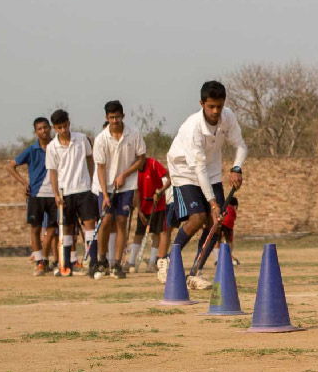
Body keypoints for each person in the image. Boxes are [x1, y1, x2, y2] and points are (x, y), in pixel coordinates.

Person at [161, 81, 246, 288]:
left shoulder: (228, 117)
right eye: (211, 106)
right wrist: (214, 204)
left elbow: (241, 146)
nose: (216, 111)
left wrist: (236, 168)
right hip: (185, 171)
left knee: (215, 223)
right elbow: (198, 170)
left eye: (219, 105)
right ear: (202, 104)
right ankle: (167, 261)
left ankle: (196, 272)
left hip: (212, 171)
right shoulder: (193, 128)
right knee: (198, 217)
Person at [91, 101, 147, 279]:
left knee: (122, 221)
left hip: (127, 185)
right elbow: (100, 168)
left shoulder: (134, 134)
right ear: (106, 118)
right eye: (111, 118)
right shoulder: (101, 139)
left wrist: (125, 174)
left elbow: (141, 159)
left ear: (123, 116)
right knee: (106, 220)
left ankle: (116, 263)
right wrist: (105, 195)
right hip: (105, 186)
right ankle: (101, 261)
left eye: (117, 117)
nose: (114, 121)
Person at [44, 109, 99, 277]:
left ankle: (94, 263)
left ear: (69, 123)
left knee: (90, 225)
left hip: (83, 189)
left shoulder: (81, 139)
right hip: (65, 191)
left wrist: (91, 181)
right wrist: (56, 194)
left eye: (65, 126)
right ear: (54, 128)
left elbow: (90, 158)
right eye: (59, 127)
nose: (63, 130)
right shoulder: (52, 147)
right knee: (66, 228)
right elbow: (53, 172)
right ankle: (65, 264)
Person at [10, 117, 56, 275]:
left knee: (52, 230)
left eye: (45, 127)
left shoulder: (57, 146)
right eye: (40, 129)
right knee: (35, 229)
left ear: (50, 128)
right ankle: (39, 263)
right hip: (36, 194)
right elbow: (11, 166)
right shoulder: (31, 150)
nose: (43, 131)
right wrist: (24, 183)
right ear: (36, 132)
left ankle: (46, 259)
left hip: (54, 194)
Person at [129, 154, 170, 273]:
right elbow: (136, 191)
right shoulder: (133, 169)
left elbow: (169, 178)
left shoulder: (153, 163)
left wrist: (161, 191)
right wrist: (139, 210)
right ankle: (131, 262)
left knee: (156, 233)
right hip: (143, 206)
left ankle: (152, 263)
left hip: (158, 205)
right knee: (139, 233)